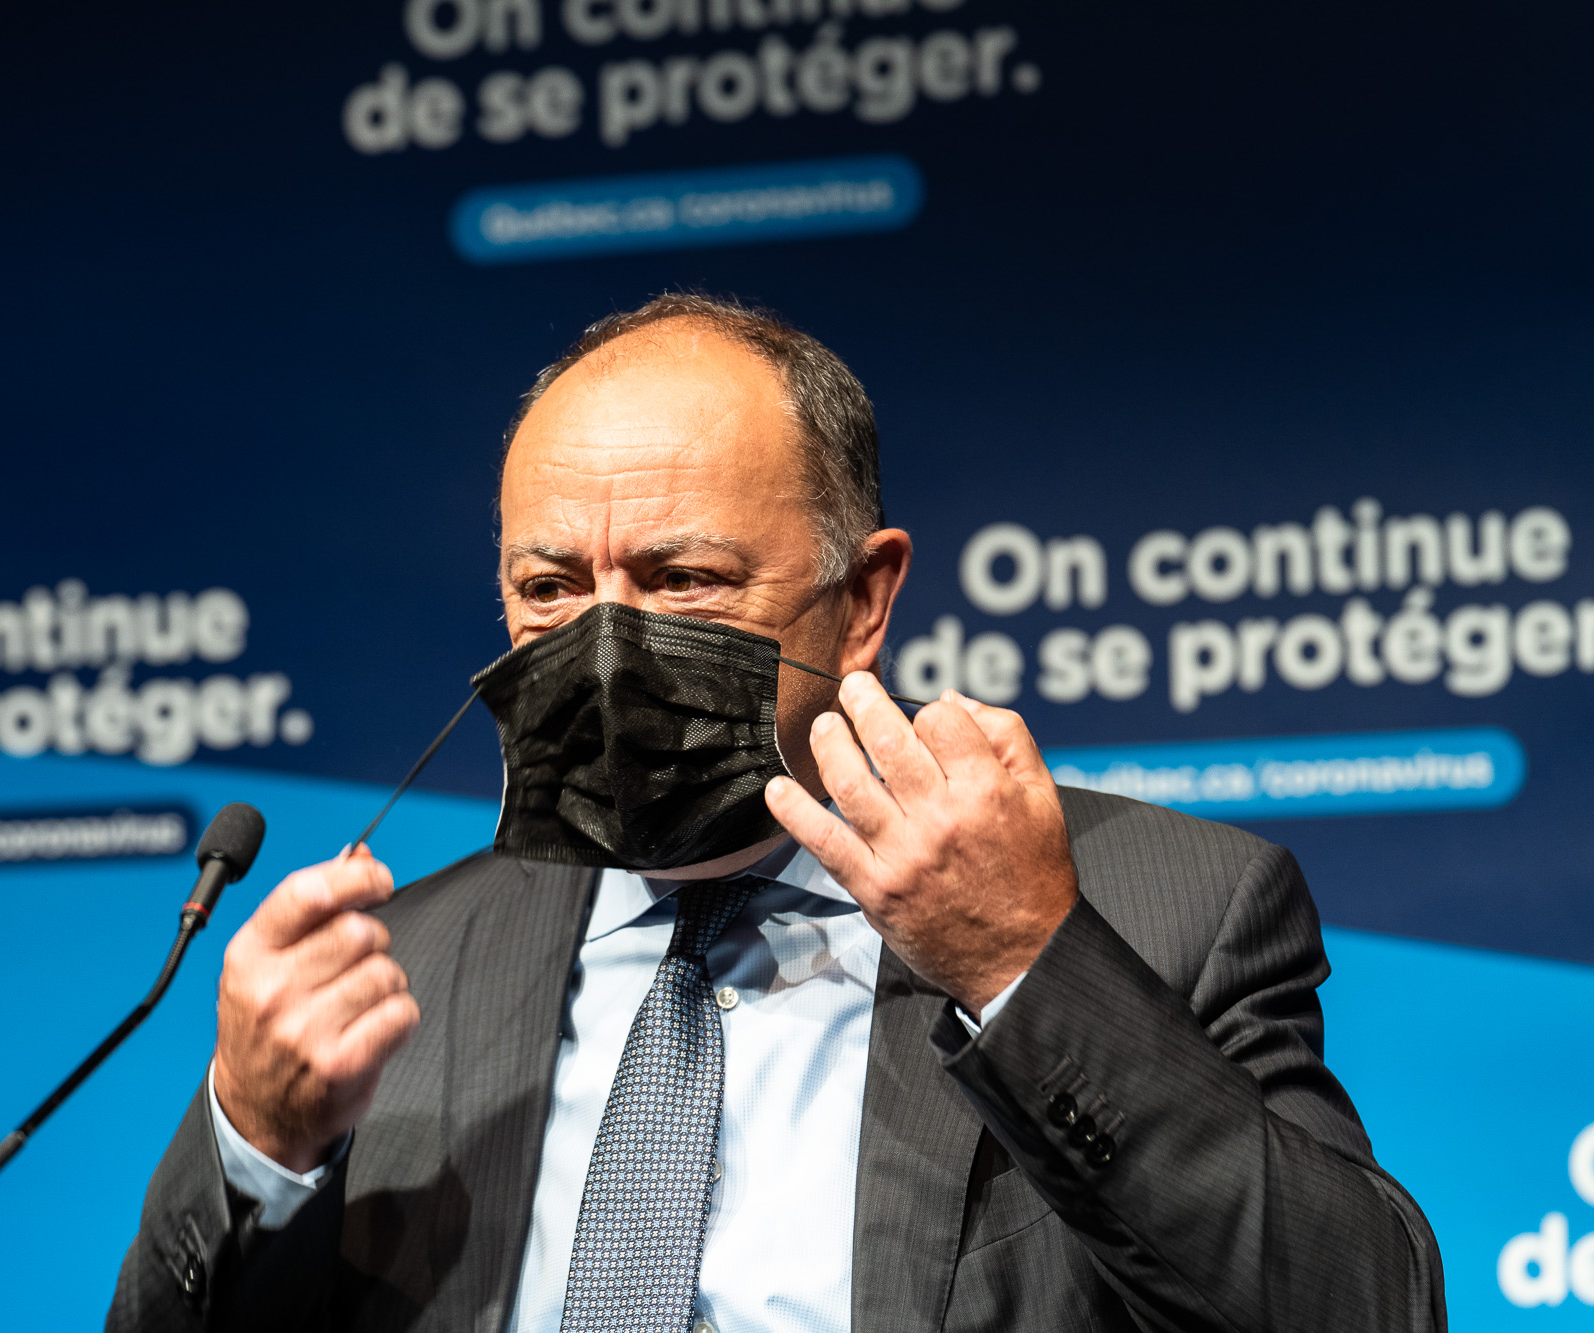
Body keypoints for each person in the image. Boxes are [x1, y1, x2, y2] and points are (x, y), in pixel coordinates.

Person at [108, 294, 1446, 1332]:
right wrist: (259, 1145)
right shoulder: (397, 973)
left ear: (863, 601)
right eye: (550, 588)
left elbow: (1369, 1311)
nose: (608, 647)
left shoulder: (1163, 907)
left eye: (683, 578)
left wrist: (1022, 965)